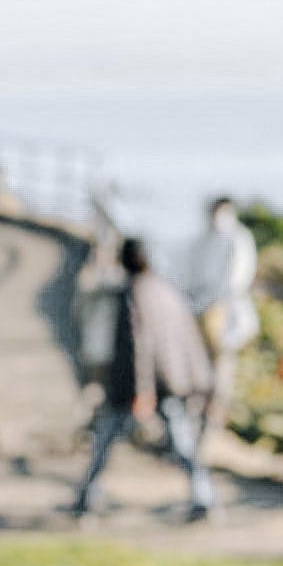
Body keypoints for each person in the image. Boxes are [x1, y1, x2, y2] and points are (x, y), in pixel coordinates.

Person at [70, 237, 216, 522]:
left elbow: (138, 345)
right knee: (182, 441)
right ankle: (203, 496)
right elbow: (188, 335)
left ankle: (86, 497)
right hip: (172, 379)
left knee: (105, 440)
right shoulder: (167, 289)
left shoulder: (131, 293)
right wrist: (199, 378)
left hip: (134, 385)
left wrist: (143, 391)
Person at [183, 195, 259, 436]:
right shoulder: (203, 240)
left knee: (221, 367)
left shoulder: (238, 237)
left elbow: (237, 278)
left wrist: (220, 302)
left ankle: (214, 417)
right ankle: (197, 416)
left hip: (223, 308)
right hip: (203, 307)